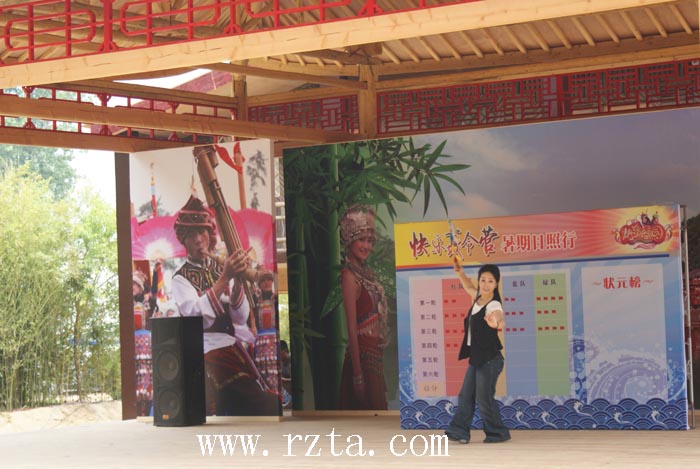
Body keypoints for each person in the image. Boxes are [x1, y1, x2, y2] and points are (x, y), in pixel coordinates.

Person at [170, 195, 279, 416]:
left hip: (231, 345)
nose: (198, 240)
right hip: (206, 348)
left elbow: (239, 317)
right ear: (183, 240)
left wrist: (238, 281)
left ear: (210, 235)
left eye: (202, 233)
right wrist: (225, 278)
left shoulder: (221, 268)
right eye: (191, 235)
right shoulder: (180, 278)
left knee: (259, 395)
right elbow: (195, 316)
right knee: (255, 400)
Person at [445, 260, 511, 444]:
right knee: (466, 395)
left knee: (483, 398)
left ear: (496, 284)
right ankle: (459, 431)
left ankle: (498, 433)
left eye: (490, 281)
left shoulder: (494, 304)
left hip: (490, 359)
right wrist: (460, 273)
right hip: (477, 358)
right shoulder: (478, 298)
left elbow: (499, 318)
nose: (486, 284)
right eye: (483, 280)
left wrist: (496, 323)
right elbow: (468, 286)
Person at [338, 205, 389, 410]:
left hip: (375, 357)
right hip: (362, 360)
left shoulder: (366, 274)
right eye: (362, 240)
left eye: (370, 241)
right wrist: (357, 375)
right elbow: (352, 329)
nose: (366, 246)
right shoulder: (349, 276)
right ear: (350, 240)